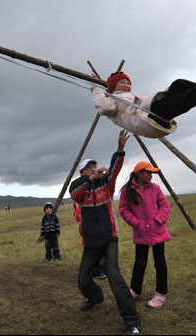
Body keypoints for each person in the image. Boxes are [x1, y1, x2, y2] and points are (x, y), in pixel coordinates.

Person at [69, 130, 141, 335]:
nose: (94, 168)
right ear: (83, 172)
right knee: (83, 280)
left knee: (115, 279)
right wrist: (90, 179)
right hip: (91, 242)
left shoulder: (106, 185)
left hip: (109, 238)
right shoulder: (80, 188)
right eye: (89, 167)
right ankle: (95, 297)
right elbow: (74, 193)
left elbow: (115, 169)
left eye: (94, 165)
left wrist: (119, 150)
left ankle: (132, 323)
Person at [119, 161, 171, 308]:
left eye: (152, 173)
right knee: (140, 263)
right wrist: (136, 223)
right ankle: (135, 290)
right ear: (139, 173)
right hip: (141, 232)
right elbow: (124, 209)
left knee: (160, 263)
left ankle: (160, 293)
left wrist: (159, 219)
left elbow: (165, 205)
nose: (151, 176)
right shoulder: (127, 191)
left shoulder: (155, 188)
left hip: (158, 231)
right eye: (148, 173)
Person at [74, 201, 107, 279]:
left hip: (95, 225)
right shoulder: (76, 199)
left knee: (99, 247)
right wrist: (77, 215)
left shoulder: (90, 195)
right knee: (90, 249)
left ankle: (102, 270)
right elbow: (76, 209)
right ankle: (94, 270)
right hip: (84, 226)